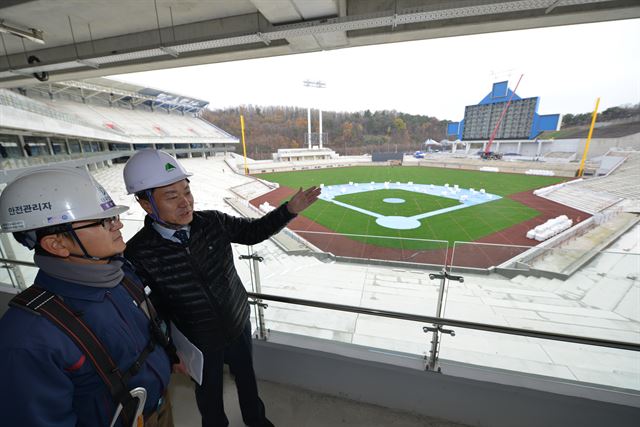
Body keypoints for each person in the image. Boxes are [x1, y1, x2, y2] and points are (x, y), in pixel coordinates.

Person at [123, 149, 320, 427]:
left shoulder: (213, 221)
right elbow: (146, 313)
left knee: (247, 381)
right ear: (145, 204)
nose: (185, 203)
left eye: (187, 192)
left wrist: (289, 210)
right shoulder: (138, 253)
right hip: (198, 341)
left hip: (237, 322)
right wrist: (169, 352)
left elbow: (253, 232)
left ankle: (257, 421)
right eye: (171, 196)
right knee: (209, 398)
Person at [0, 166, 177, 427]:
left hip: (158, 408)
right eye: (103, 220)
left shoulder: (121, 275)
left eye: (113, 216)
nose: (117, 223)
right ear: (57, 244)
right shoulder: (27, 338)